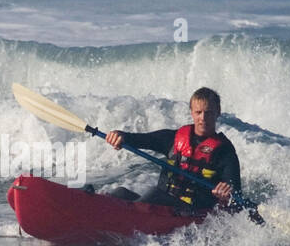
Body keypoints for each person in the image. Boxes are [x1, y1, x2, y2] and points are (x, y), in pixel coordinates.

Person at [104, 87, 243, 210]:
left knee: (154, 194)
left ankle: (124, 217)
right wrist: (120, 136)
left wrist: (225, 195)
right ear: (192, 112)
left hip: (191, 214)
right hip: (161, 208)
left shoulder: (225, 152)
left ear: (218, 112)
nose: (203, 118)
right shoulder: (172, 138)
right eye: (198, 112)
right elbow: (139, 139)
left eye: (208, 113)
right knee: (120, 193)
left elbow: (235, 196)